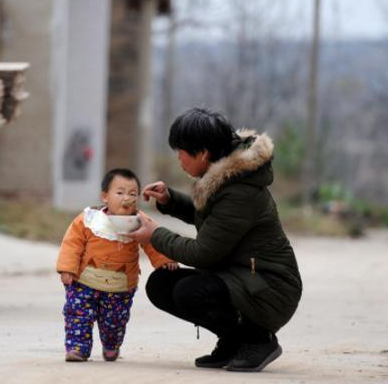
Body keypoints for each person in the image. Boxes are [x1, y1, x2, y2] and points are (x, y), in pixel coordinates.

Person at [128, 108, 302, 372]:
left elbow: (203, 253)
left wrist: (155, 234)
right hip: (244, 277)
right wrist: (170, 200)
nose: (178, 158)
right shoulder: (226, 178)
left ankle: (258, 340)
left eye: (181, 152)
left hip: (269, 289)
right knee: (161, 284)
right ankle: (233, 341)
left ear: (203, 153)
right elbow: (212, 220)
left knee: (189, 292)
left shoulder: (239, 192)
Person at [56, 168, 178, 362]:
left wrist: (165, 261)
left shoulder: (140, 222)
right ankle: (77, 348)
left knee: (114, 321)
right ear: (105, 196)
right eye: (119, 193)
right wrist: (67, 268)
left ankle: (111, 345)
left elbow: (153, 242)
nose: (126, 198)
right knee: (78, 315)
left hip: (120, 285)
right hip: (84, 281)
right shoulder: (89, 220)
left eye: (132, 194)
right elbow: (72, 243)